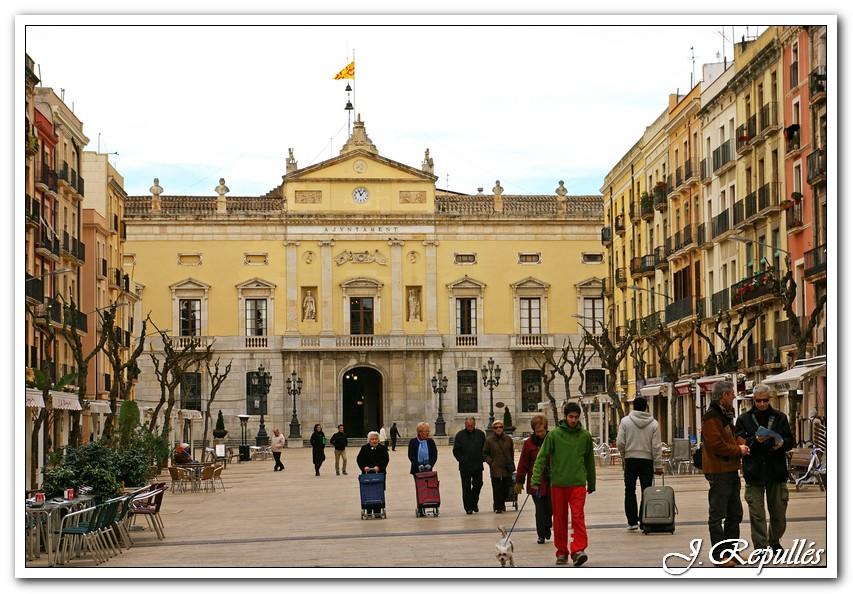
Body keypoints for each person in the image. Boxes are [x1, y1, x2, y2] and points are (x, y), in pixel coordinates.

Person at [532, 402, 596, 567]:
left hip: (578, 484)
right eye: (571, 417)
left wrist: (592, 482)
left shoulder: (585, 436)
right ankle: (561, 552)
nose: (573, 420)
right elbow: (541, 457)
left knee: (578, 517)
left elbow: (589, 461)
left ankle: (578, 550)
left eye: (576, 417)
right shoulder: (554, 436)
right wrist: (535, 480)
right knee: (559, 519)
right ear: (565, 416)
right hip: (558, 484)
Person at [734, 383, 794, 553]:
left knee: (779, 513)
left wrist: (782, 443)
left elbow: (790, 440)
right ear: (753, 399)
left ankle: (774, 541)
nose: (761, 404)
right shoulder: (744, 419)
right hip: (754, 472)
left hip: (776, 471)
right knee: (757, 514)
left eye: (764, 401)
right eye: (758, 401)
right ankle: (761, 547)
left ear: (770, 399)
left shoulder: (780, 417)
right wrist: (754, 440)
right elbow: (740, 441)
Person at [701, 380, 750, 566]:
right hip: (719, 470)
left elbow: (729, 436)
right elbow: (717, 445)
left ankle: (731, 552)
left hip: (730, 469)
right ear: (724, 396)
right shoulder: (711, 417)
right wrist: (739, 450)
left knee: (734, 513)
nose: (734, 398)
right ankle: (720, 555)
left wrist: (744, 443)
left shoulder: (724, 415)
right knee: (717, 514)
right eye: (731, 395)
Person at [615, 396, 662, 530]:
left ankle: (632, 522)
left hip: (631, 459)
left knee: (629, 490)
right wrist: (658, 465)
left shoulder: (625, 422)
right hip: (647, 461)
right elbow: (656, 446)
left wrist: (624, 457)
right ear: (646, 407)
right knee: (646, 491)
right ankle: (644, 519)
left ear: (633, 407)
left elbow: (620, 443)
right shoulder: (654, 424)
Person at [516, 414, 552, 543]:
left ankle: (547, 526)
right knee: (540, 509)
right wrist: (519, 481)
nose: (540, 434)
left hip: (551, 481)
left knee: (550, 508)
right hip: (535, 483)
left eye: (542, 431)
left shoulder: (552, 439)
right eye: (537, 431)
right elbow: (523, 463)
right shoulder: (529, 444)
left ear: (546, 429)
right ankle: (541, 534)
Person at [452, 416, 486, 514]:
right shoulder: (460, 435)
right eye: (468, 425)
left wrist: (482, 458)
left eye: (471, 425)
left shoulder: (480, 434)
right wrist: (462, 460)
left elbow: (484, 448)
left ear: (474, 424)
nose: (470, 426)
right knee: (466, 487)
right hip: (465, 466)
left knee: (478, 484)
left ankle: (474, 503)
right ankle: (468, 508)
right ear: (465, 425)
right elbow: (456, 450)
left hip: (478, 465)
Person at [483, 419, 515, 514]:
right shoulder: (489, 440)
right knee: (497, 488)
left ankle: (502, 503)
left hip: (506, 467)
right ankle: (498, 506)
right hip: (496, 468)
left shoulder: (508, 439)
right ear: (493, 429)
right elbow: (485, 453)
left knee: (507, 487)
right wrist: (491, 463)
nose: (498, 429)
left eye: (500, 427)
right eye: (496, 427)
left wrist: (511, 462)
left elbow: (511, 452)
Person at [357, 431, 390, 517]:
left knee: (378, 491)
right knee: (367, 491)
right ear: (369, 440)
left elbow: (385, 459)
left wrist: (379, 467)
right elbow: (359, 459)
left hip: (379, 474)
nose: (374, 441)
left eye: (376, 439)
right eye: (372, 439)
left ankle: (378, 511)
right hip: (367, 474)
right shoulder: (364, 448)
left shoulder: (382, 448)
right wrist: (364, 467)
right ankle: (368, 510)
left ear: (378, 440)